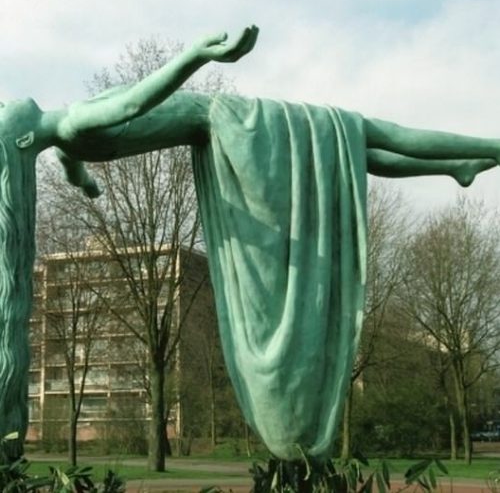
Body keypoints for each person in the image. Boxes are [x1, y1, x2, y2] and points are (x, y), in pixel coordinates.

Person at [0, 24, 498, 459]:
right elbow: (134, 103)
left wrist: (88, 186)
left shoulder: (66, 135)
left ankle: (461, 163)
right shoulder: (74, 124)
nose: (6, 103)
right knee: (365, 137)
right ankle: (473, 154)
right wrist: (195, 55)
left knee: (353, 147)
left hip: (221, 125)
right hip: (227, 124)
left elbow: (79, 165)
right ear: (23, 139)